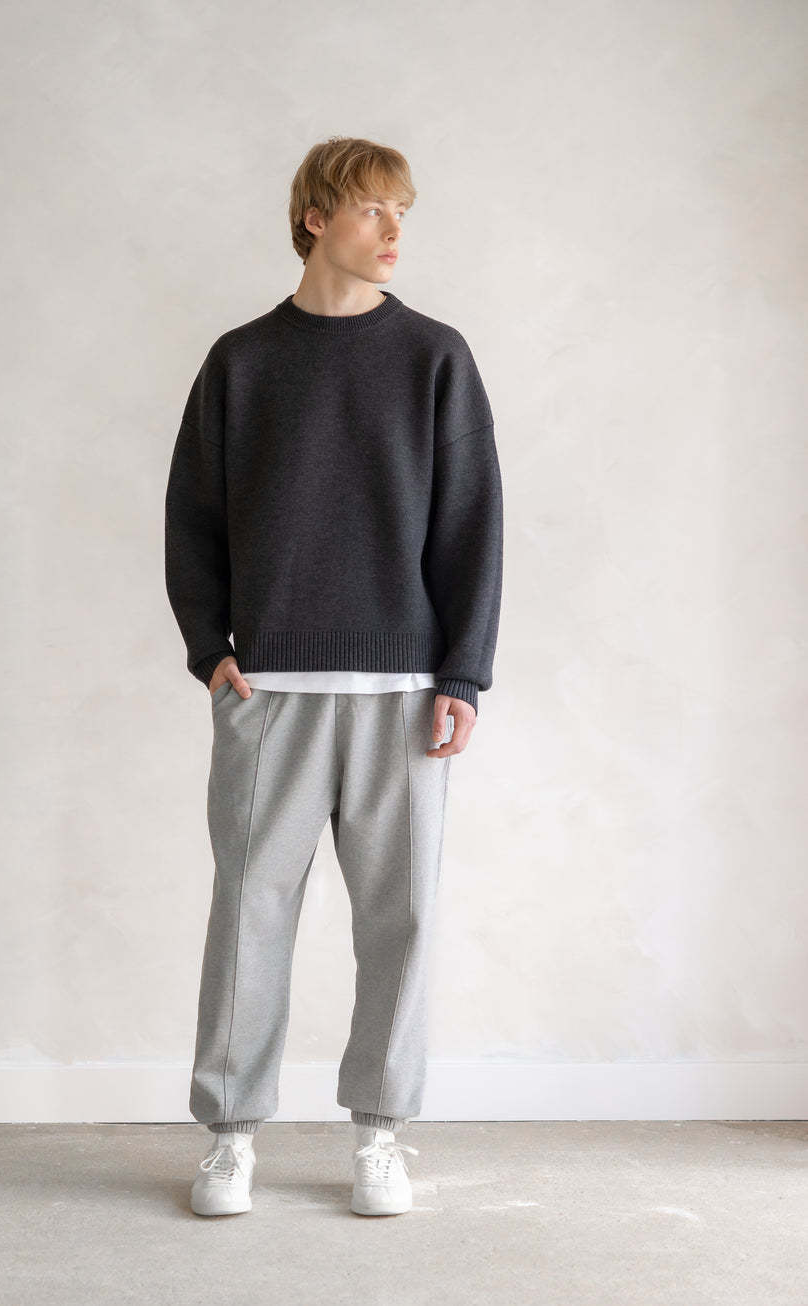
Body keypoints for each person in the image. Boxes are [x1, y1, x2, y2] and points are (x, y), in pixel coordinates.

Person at [164, 135, 504, 1217]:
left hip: (402, 693)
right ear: (315, 218)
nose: (395, 231)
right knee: (248, 915)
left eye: (402, 211)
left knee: (402, 920)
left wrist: (462, 672)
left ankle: (380, 1136)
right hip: (267, 690)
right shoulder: (242, 361)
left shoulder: (435, 357)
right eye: (372, 210)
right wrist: (209, 647)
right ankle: (229, 1139)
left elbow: (471, 525)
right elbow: (193, 514)